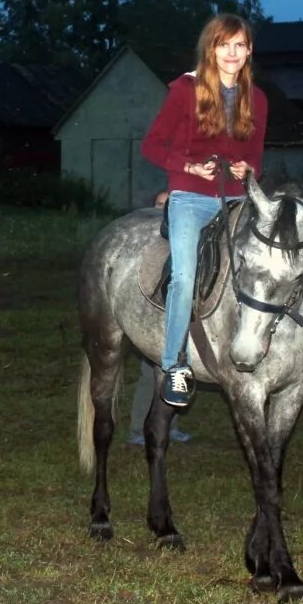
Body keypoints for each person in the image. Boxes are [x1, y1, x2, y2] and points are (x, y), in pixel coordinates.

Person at [140, 13, 267, 407]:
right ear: (210, 48)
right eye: (224, 44)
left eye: (240, 45)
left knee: (279, 254)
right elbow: (152, 146)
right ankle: (174, 364)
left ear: (249, 51)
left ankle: (298, 347)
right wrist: (189, 166)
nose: (232, 52)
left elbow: (256, 158)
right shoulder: (185, 90)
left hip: (237, 198)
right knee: (183, 274)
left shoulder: (257, 99)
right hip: (191, 197)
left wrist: (249, 170)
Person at [129, 190, 192, 445]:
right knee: (150, 376)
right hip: (152, 324)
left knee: (177, 375)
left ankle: (171, 426)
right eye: (159, 204)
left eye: (168, 206)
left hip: (177, 322)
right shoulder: (144, 249)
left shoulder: (183, 244)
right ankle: (136, 430)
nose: (163, 211)